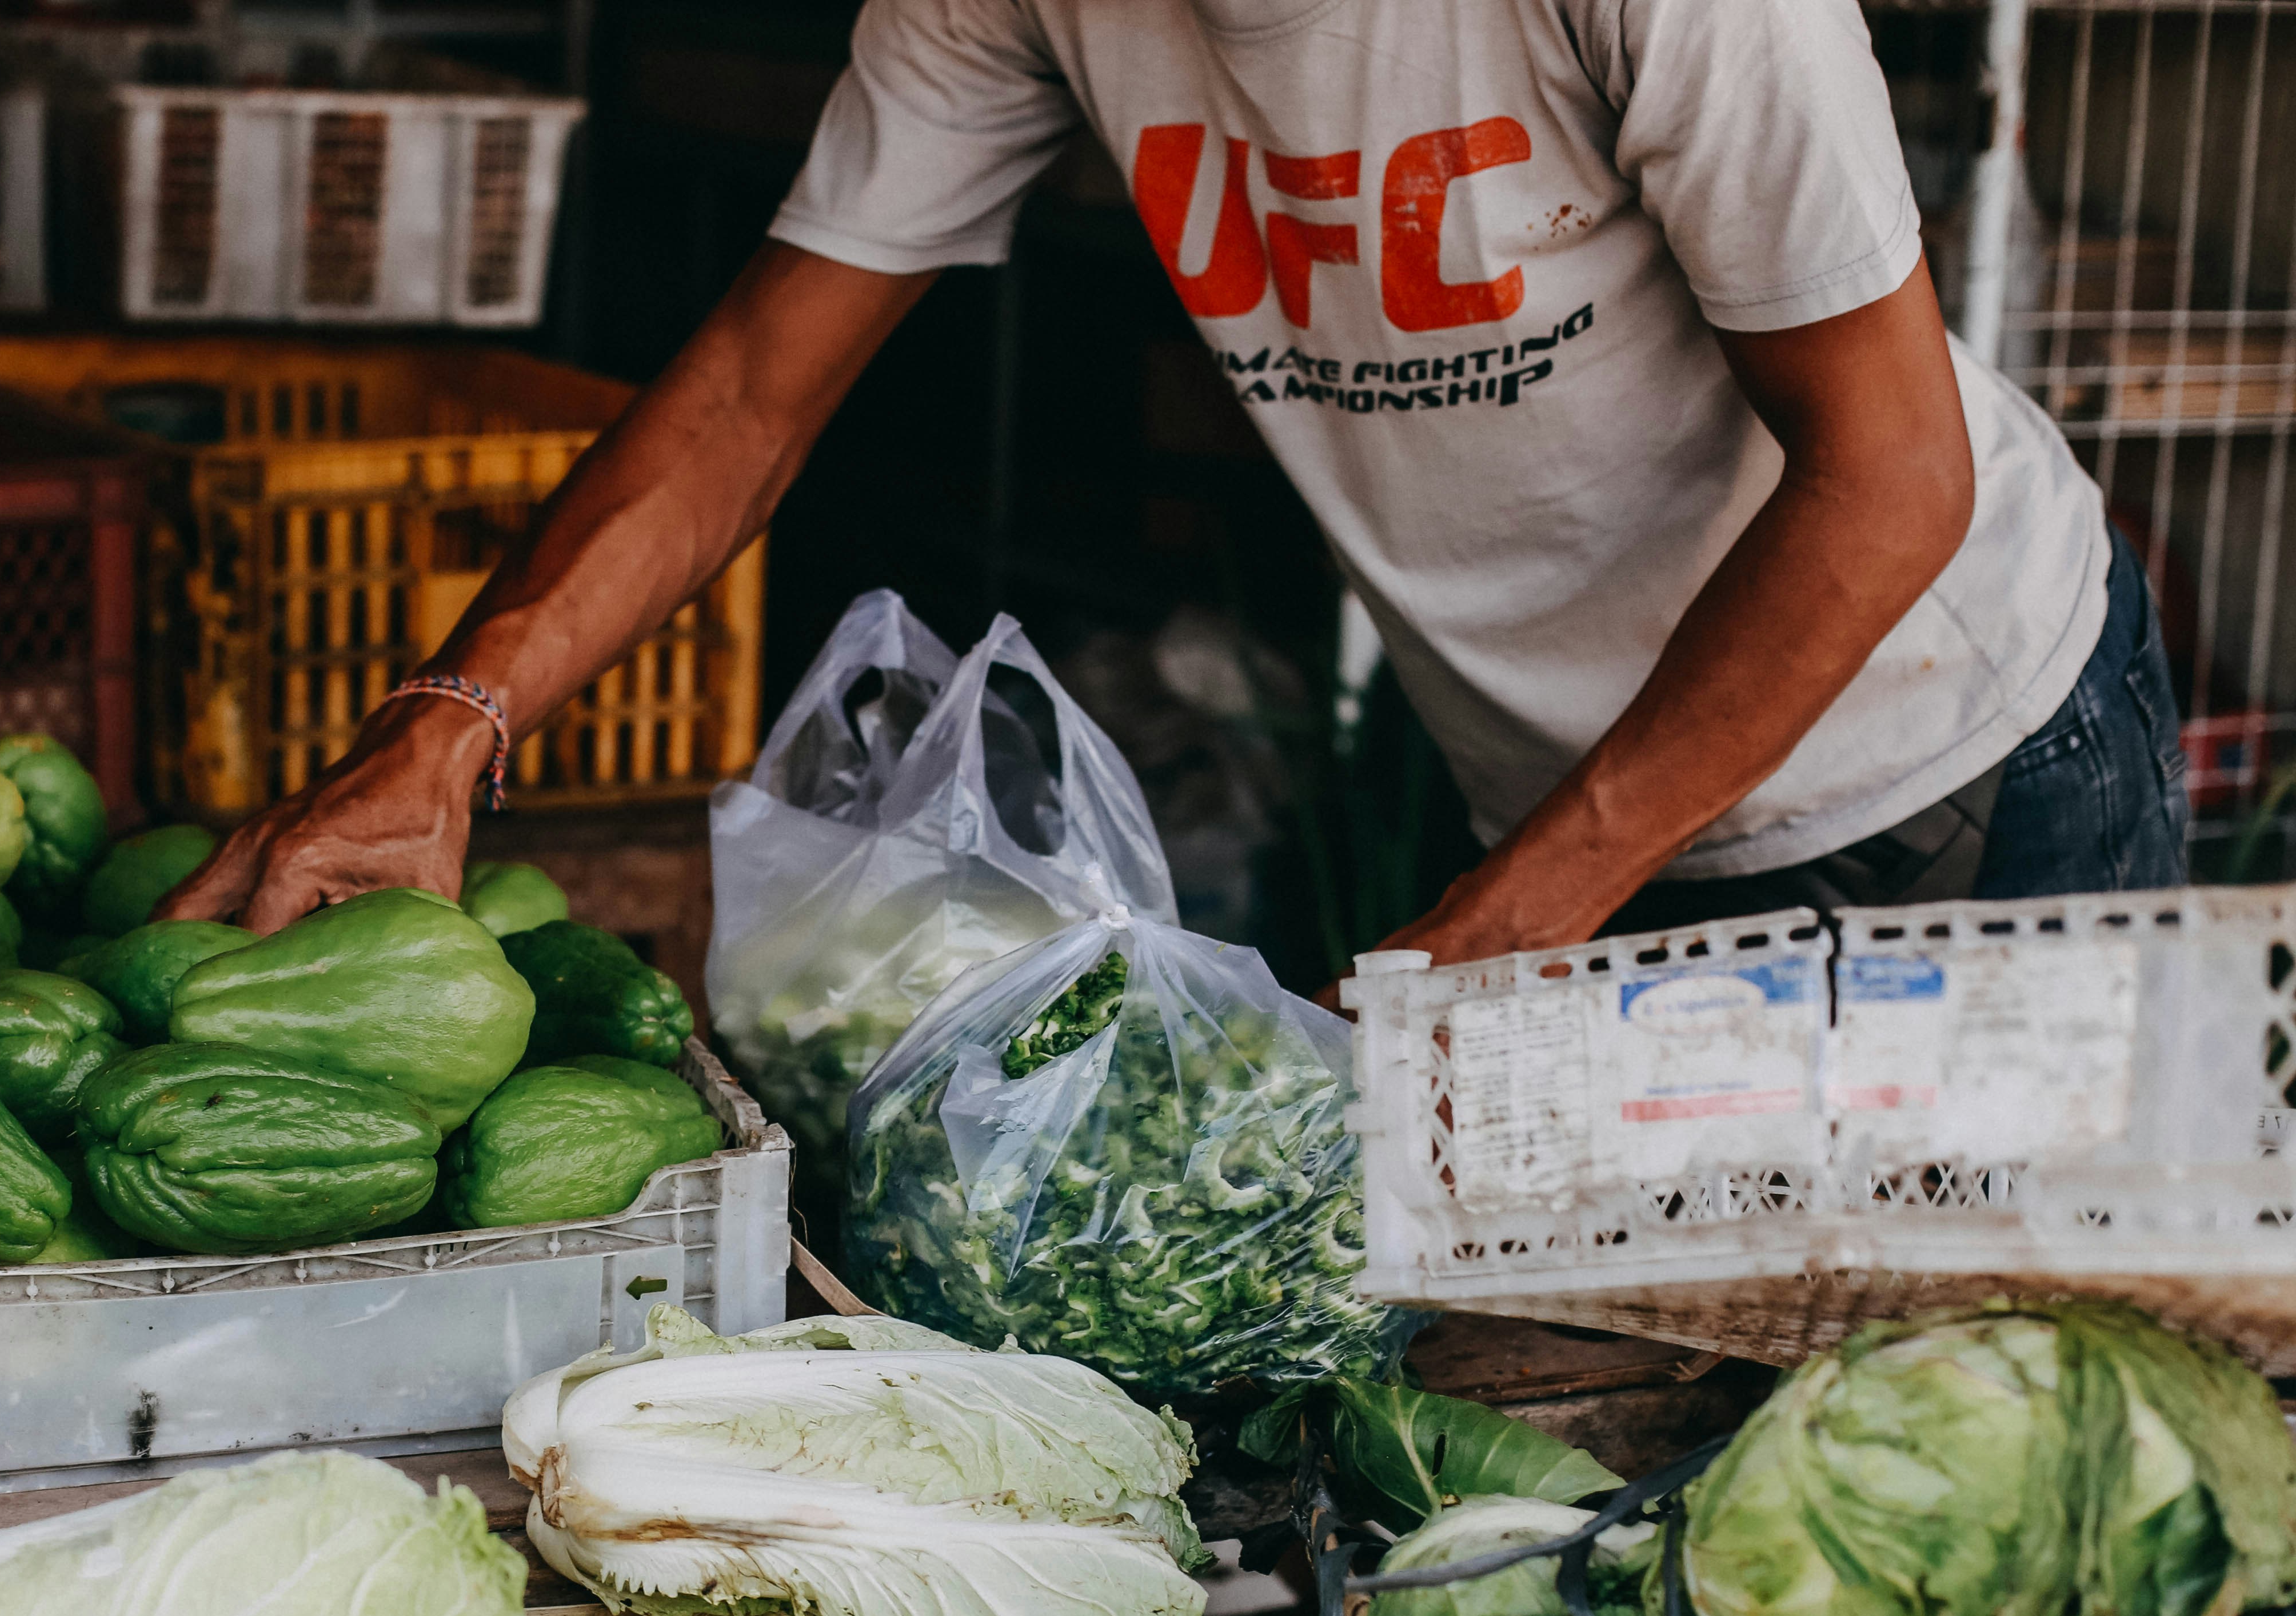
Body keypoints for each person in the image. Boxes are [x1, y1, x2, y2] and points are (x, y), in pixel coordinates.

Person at [160, 0, 2185, 964]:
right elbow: (756, 391)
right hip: (1574, 817)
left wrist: (1525, 902)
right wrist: (453, 715)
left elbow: (1892, 475)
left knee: (1970, 1465)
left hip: (1961, 761)